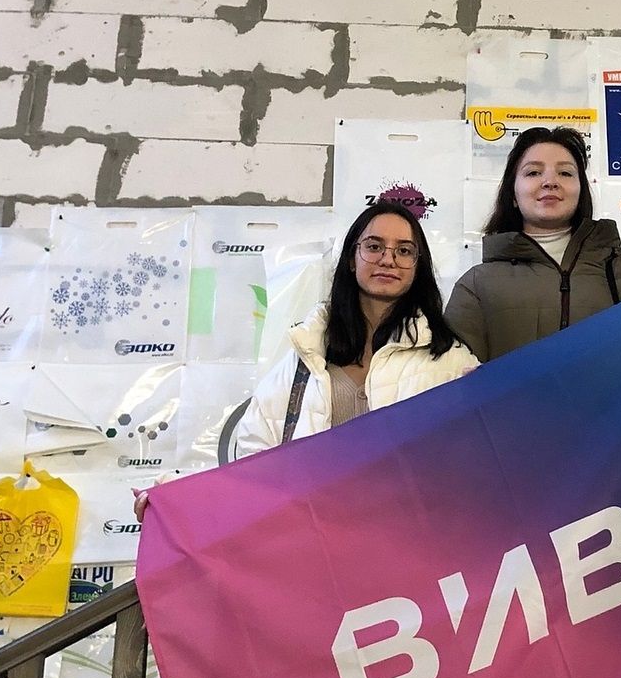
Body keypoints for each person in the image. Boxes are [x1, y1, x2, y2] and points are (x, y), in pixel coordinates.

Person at [135, 203, 478, 519]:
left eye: (404, 251)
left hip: (407, 547)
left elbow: (472, 470)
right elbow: (253, 471)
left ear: (418, 266)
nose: (388, 259)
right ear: (351, 258)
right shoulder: (304, 356)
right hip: (315, 547)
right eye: (374, 246)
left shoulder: (449, 361)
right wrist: (176, 500)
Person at [445, 126, 621, 362]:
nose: (550, 182)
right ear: (513, 194)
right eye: (533, 172)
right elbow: (455, 375)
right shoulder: (476, 285)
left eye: (565, 173)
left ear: (581, 191)